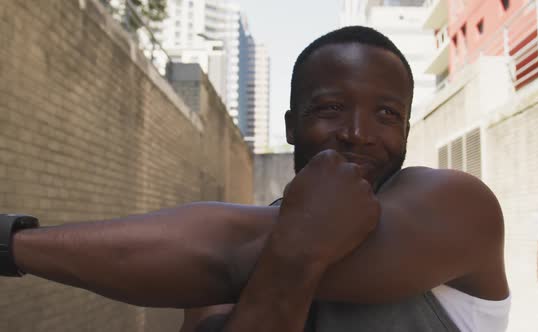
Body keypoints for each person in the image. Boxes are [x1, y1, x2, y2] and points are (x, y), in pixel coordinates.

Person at [0, 26, 510, 331]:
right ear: (291, 126)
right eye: (331, 108)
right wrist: (297, 249)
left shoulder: (460, 206)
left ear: (405, 128)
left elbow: (225, 250)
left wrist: (12, 243)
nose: (358, 133)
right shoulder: (199, 265)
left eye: (386, 114)